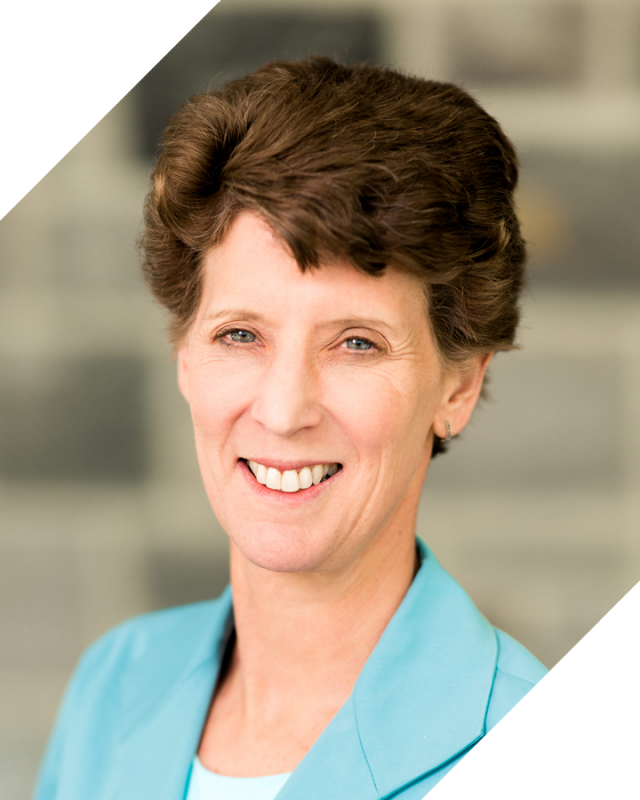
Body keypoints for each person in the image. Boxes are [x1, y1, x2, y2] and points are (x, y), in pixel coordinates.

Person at [34, 57, 547, 800]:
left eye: (357, 343)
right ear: (184, 354)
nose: (282, 410)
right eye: (240, 335)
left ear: (459, 385)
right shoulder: (113, 683)